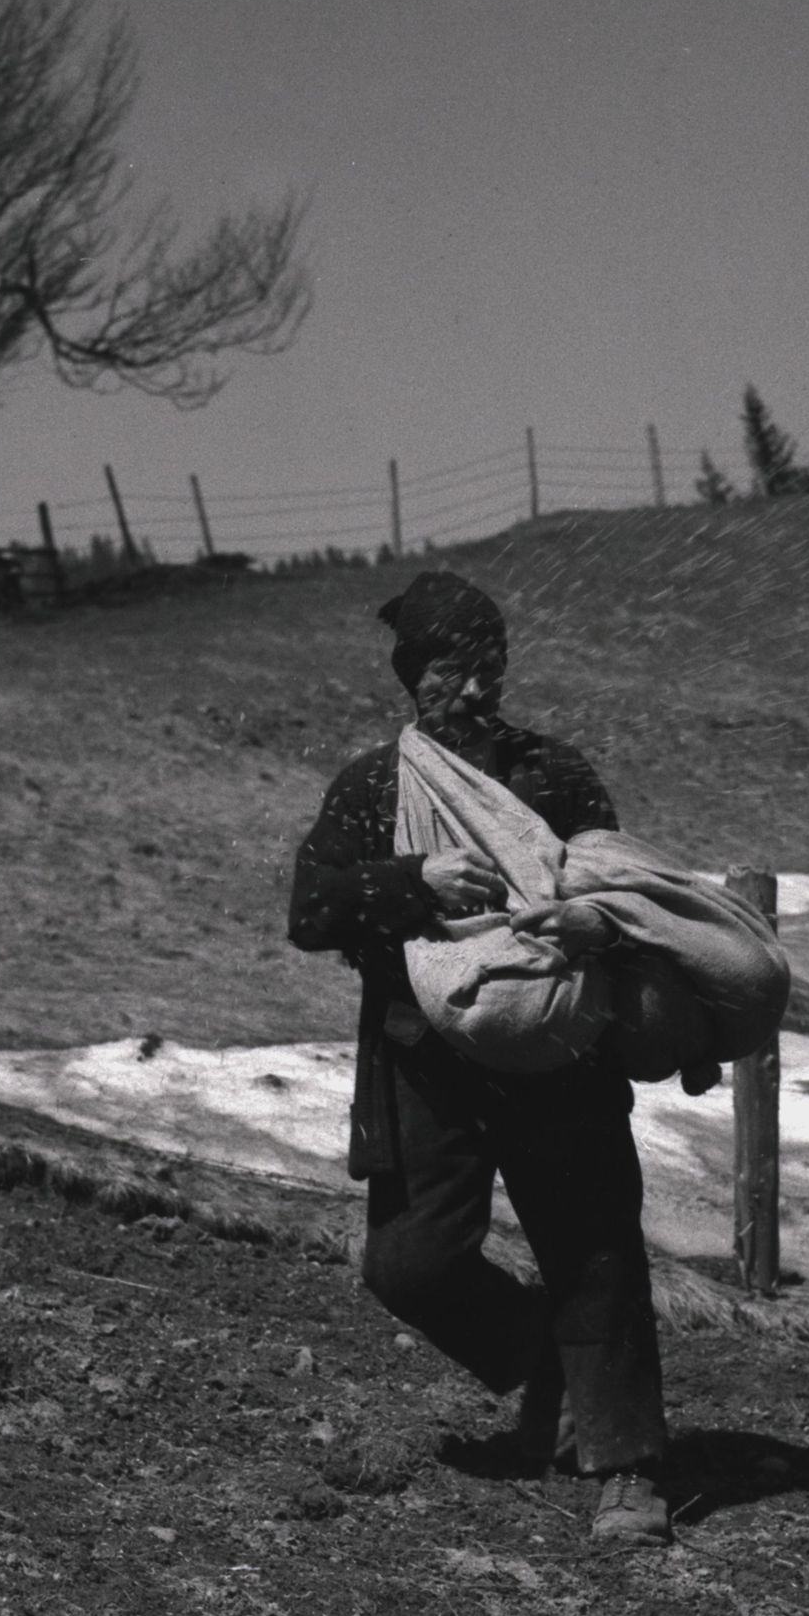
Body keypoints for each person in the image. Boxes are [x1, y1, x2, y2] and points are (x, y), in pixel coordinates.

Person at [287, 569, 674, 1545]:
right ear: (410, 675)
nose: (467, 688)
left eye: (484, 667)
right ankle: (543, 1358)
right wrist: (413, 879)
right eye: (445, 670)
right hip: (425, 1062)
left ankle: (628, 1467)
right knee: (408, 1264)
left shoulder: (554, 776)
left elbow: (623, 890)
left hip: (559, 1051)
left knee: (594, 1249)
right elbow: (311, 910)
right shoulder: (375, 788)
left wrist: (591, 921)